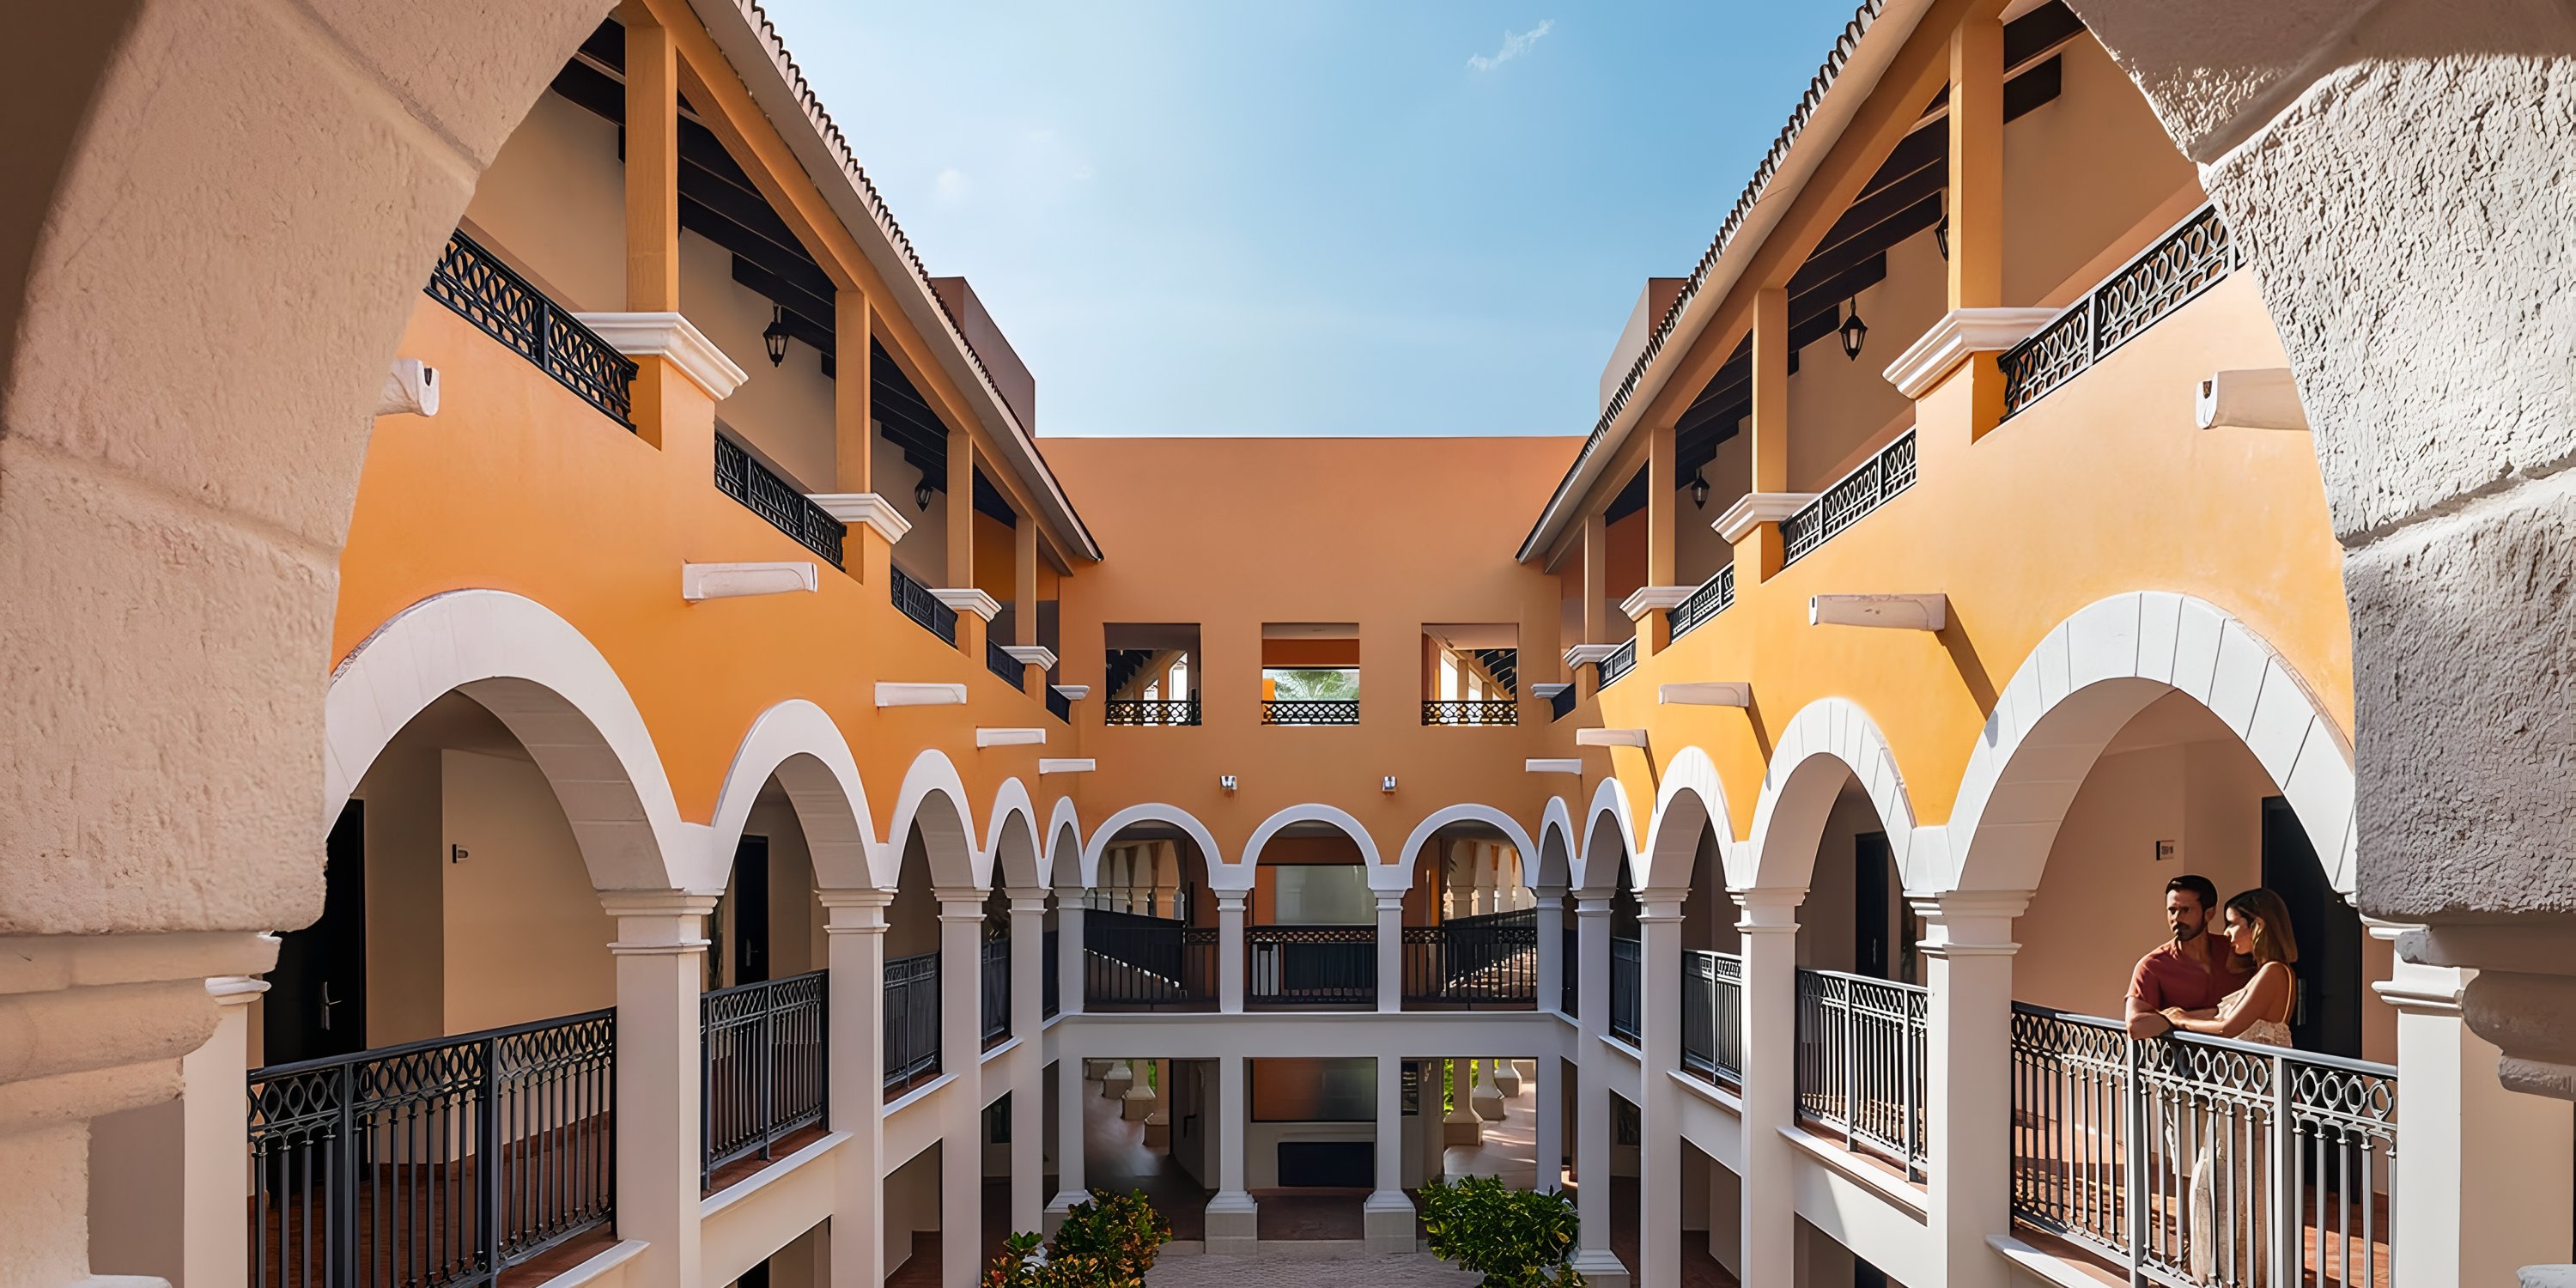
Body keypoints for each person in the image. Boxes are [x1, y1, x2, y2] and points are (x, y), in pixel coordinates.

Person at [2160, 887, 2301, 1286]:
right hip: (2237, 1099)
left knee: (2227, 1186)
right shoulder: (2265, 973)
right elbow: (2221, 1010)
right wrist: (2179, 1013)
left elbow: (2227, 1027)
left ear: (2257, 927)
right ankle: (2223, 1272)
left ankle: (2232, 1274)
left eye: (2234, 924)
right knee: (2225, 1184)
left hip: (2251, 1102)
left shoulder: (2275, 972)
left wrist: (2180, 1022)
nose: (2229, 934)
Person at [2123, 875, 2250, 1039]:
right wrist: (2215, 1014)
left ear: (2209, 913)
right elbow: (2136, 1027)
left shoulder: (2236, 950)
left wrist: (2180, 1016)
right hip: (2183, 1062)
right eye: (2172, 910)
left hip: (2241, 1061)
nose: (2176, 918)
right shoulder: (2152, 966)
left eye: (2185, 910)